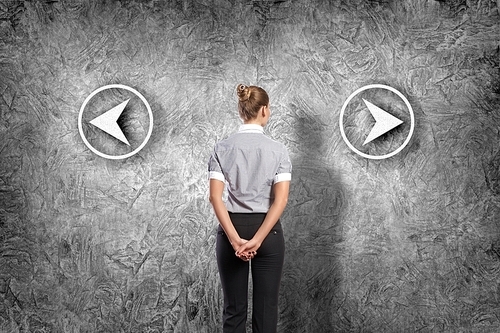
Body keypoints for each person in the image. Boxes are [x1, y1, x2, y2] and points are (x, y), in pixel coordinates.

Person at [208, 84, 292, 333]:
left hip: (231, 229)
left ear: (241, 110)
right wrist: (257, 240)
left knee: (233, 311)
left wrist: (235, 241)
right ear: (265, 110)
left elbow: (215, 198)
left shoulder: (221, 148)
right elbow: (281, 200)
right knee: (266, 311)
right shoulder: (278, 150)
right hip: (268, 233)